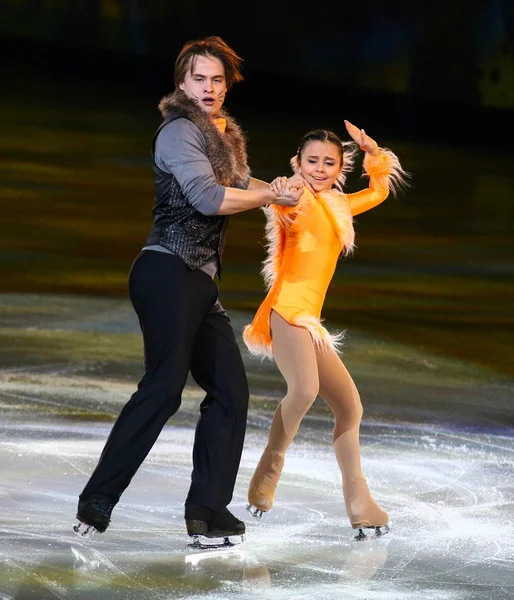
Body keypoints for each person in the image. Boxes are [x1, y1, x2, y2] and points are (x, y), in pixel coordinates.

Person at [74, 36, 302, 548]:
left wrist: (285, 193)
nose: (209, 88)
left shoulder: (224, 137)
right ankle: (98, 499)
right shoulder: (178, 132)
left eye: (217, 80)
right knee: (164, 386)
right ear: (182, 83)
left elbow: (244, 185)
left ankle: (207, 510)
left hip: (200, 283)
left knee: (230, 393)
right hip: (165, 272)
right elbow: (207, 198)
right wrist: (268, 194)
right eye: (199, 78)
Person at [243, 122, 409, 540]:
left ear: (339, 169)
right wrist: (282, 189)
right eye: (312, 161)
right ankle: (270, 467)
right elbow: (282, 204)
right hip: (285, 313)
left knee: (350, 407)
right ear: (298, 163)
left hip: (310, 324)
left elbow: (379, 190)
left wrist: (373, 152)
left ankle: (360, 504)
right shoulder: (294, 197)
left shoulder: (337, 206)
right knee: (304, 390)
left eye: (329, 163)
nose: (320, 168)